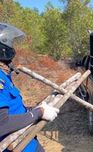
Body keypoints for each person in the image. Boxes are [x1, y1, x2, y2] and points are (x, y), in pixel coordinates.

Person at [0, 22, 59, 152]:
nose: (13, 49)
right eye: (11, 44)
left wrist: (32, 109)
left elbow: (12, 108)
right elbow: (2, 124)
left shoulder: (4, 75)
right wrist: (39, 113)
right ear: (3, 48)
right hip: (15, 147)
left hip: (25, 142)